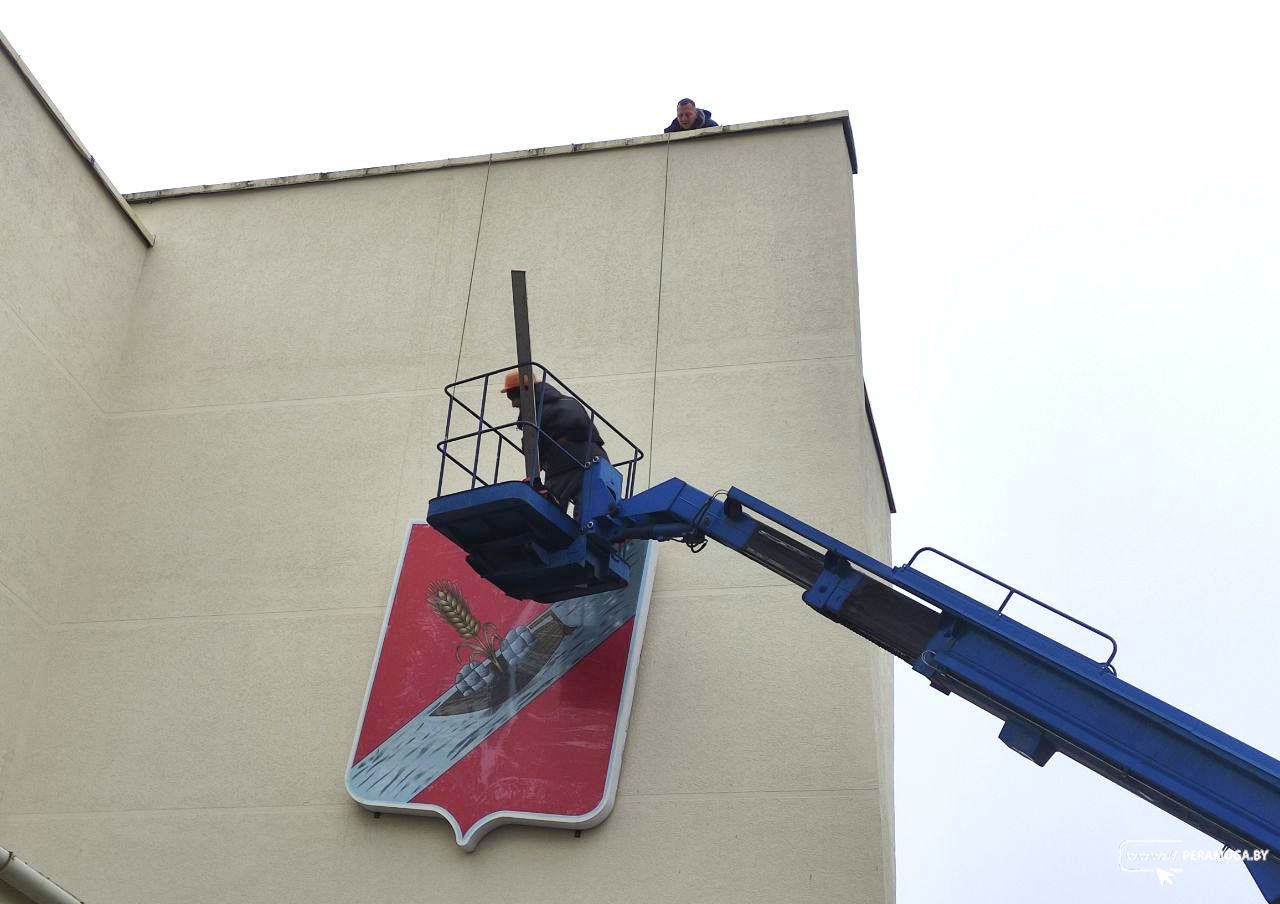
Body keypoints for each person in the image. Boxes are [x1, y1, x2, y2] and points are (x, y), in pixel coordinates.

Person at [502, 370, 607, 512]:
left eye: (513, 397)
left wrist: (534, 477)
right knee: (589, 515)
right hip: (598, 461)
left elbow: (530, 448)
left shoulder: (535, 415)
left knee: (547, 514)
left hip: (565, 465)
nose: (513, 404)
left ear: (525, 392)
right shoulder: (568, 403)